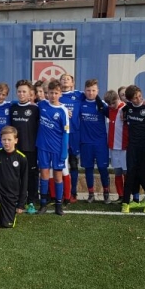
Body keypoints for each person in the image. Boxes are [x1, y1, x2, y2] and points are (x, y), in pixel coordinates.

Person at [36, 81, 69, 215]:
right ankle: (43, 204)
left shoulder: (63, 110)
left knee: (57, 176)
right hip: (43, 147)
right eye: (51, 93)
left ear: (60, 94)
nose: (53, 95)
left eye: (56, 93)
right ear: (47, 93)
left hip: (57, 148)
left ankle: (58, 205)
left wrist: (64, 152)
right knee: (44, 175)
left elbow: (66, 132)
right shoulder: (42, 105)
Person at [120, 85, 145, 213]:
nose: (139, 99)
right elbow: (120, 106)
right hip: (132, 147)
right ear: (130, 99)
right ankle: (125, 203)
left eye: (140, 96)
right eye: (135, 98)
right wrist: (122, 111)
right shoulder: (127, 108)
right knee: (130, 174)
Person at [9, 79, 40, 213]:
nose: (21, 94)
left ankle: (31, 201)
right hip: (16, 149)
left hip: (31, 148)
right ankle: (18, 200)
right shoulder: (13, 108)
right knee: (16, 175)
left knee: (31, 175)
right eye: (19, 91)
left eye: (24, 92)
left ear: (29, 93)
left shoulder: (35, 109)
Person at [79, 79, 110, 203]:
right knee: (88, 169)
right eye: (88, 90)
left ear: (97, 91)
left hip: (100, 142)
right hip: (86, 142)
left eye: (93, 90)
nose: (90, 93)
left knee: (103, 168)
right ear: (84, 91)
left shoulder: (102, 104)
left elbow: (112, 113)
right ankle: (91, 194)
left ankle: (106, 193)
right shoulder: (80, 103)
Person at [58, 73, 83, 204]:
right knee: (61, 165)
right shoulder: (56, 95)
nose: (65, 81)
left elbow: (94, 96)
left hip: (74, 134)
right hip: (60, 135)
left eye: (68, 79)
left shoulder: (79, 95)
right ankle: (61, 192)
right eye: (63, 79)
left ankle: (73, 192)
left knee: (73, 164)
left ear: (72, 83)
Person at [105, 88, 126, 204]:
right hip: (113, 147)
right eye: (109, 104)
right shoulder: (109, 109)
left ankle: (128, 196)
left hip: (125, 147)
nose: (112, 106)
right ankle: (121, 195)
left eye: (114, 103)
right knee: (117, 172)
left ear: (118, 98)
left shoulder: (125, 108)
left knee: (126, 173)